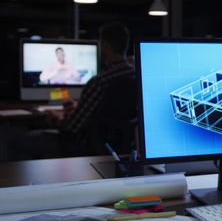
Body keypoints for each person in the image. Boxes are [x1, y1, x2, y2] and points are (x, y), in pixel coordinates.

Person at [12, 22, 136, 158]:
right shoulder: (135, 75)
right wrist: (80, 106)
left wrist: (56, 117)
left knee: (17, 142)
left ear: (105, 46)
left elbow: (71, 126)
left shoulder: (99, 82)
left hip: (85, 144)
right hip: (122, 146)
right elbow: (111, 110)